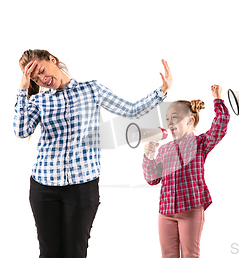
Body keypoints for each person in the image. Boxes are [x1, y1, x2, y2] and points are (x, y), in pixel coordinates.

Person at [13, 49, 173, 258]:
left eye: (42, 70)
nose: (43, 79)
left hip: (82, 188)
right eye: (36, 79)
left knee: (75, 252)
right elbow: (21, 130)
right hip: (44, 188)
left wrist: (162, 90)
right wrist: (23, 88)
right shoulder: (38, 101)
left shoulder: (92, 90)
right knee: (49, 253)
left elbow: (131, 110)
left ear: (52, 60)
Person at [142, 85, 230, 258]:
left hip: (190, 209)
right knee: (168, 255)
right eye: (167, 119)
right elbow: (152, 179)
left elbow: (220, 126)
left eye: (175, 118)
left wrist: (218, 100)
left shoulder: (200, 143)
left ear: (190, 121)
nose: (170, 122)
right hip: (166, 211)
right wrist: (148, 156)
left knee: (190, 254)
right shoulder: (164, 150)